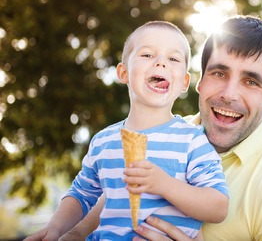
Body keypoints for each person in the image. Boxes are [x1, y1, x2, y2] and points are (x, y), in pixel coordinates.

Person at [61, 15, 262, 241]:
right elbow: (114, 188)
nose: (229, 94)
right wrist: (75, 232)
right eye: (219, 73)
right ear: (199, 82)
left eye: (251, 81)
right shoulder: (165, 132)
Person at [25, 21, 229, 240]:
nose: (161, 63)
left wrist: (165, 185)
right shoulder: (103, 142)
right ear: (123, 72)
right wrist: (55, 228)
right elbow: (81, 195)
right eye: (148, 55)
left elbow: (218, 206)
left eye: (173, 59)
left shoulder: (192, 140)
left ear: (184, 82)